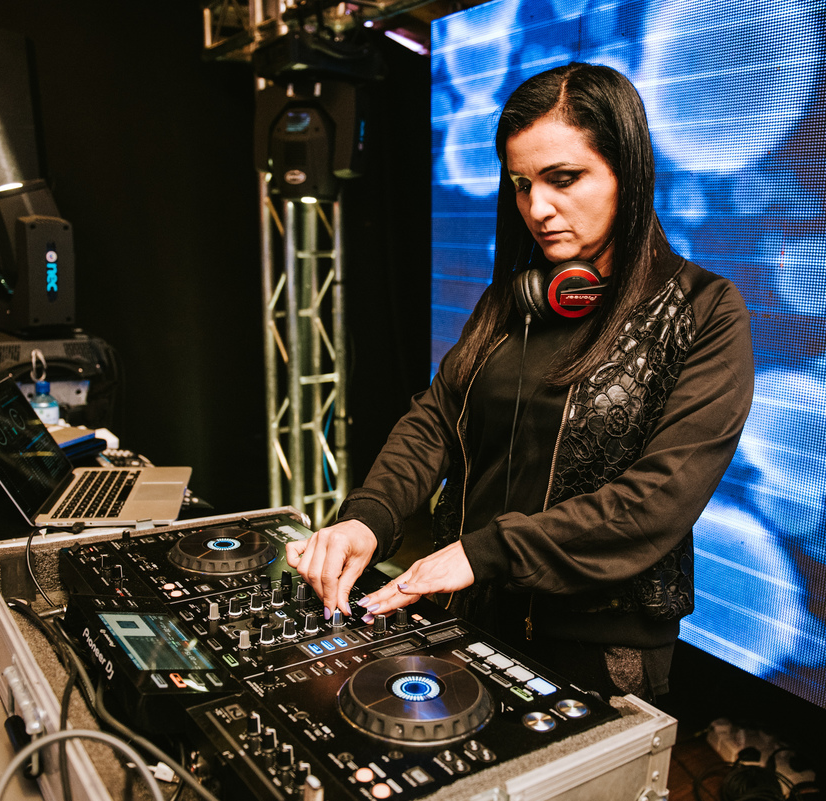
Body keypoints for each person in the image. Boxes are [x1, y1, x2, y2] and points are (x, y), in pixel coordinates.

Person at [285, 62, 755, 701]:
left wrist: (483, 553)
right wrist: (369, 519)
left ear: (629, 173)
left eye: (565, 179)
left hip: (600, 653)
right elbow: (436, 419)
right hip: (469, 620)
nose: (538, 207)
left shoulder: (704, 310)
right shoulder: (513, 301)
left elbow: (658, 501)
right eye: (521, 184)